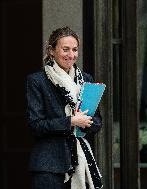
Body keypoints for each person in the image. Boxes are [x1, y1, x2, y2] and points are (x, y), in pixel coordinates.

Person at [25, 26, 103, 189]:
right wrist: (71, 121)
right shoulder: (37, 81)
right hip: (48, 167)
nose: (71, 55)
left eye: (75, 50)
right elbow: (36, 125)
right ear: (52, 50)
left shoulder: (86, 80)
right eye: (65, 49)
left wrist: (86, 122)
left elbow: (97, 123)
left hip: (81, 164)